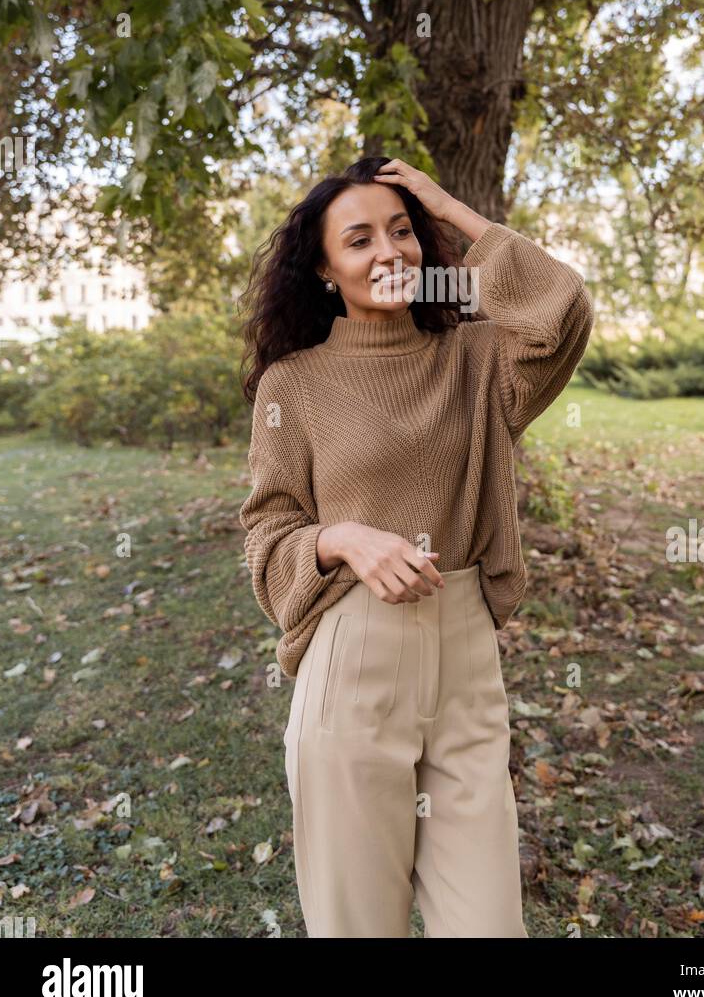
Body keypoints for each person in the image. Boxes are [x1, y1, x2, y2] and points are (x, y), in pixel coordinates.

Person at [239, 154, 594, 937]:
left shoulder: (478, 359)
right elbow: (267, 532)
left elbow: (562, 308)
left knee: (489, 925)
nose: (389, 252)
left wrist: (449, 208)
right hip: (352, 659)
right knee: (358, 925)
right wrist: (340, 538)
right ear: (326, 269)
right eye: (359, 240)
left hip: (468, 662)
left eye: (402, 232)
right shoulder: (292, 386)